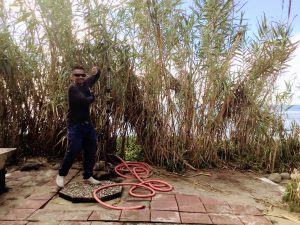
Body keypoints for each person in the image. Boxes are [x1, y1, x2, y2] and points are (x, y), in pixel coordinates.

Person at [56, 65, 101, 188]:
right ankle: (61, 174)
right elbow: (85, 101)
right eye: (77, 75)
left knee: (91, 149)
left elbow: (96, 76)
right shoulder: (73, 88)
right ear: (72, 77)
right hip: (75, 125)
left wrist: (96, 70)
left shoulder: (86, 83)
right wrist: (93, 96)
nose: (80, 77)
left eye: (82, 74)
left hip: (87, 125)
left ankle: (88, 176)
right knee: (73, 150)